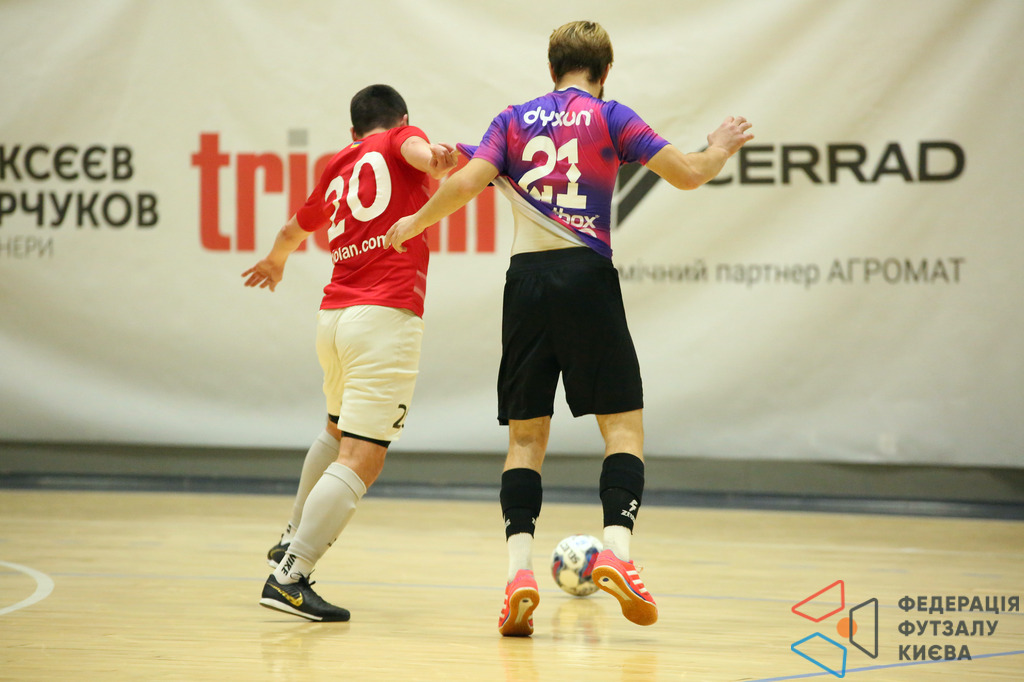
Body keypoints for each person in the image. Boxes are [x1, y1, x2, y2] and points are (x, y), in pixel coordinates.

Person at [385, 20, 753, 636]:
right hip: (586, 276)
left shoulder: (511, 120)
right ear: (605, 72)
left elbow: (466, 183)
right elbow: (690, 173)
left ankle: (518, 576)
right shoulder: (611, 116)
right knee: (622, 426)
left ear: (551, 69)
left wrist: (414, 222)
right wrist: (719, 146)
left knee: (525, 438)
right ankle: (618, 554)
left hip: (526, 283)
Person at [242, 84, 457, 622]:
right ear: (402, 118)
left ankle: (291, 535)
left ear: (353, 131)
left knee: (337, 430)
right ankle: (289, 577)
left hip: (334, 318)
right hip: (383, 316)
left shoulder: (340, 162)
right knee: (364, 455)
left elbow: (292, 228)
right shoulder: (403, 137)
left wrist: (275, 261)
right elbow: (418, 153)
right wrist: (435, 158)